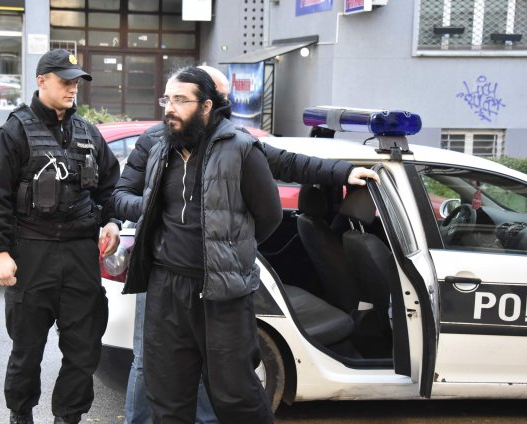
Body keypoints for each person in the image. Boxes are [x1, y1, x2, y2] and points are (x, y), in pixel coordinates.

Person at [116, 66, 379, 423]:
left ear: (207, 105)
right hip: (164, 283)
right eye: (168, 99)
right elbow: (120, 195)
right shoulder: (155, 143)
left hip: (221, 287)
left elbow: (277, 192)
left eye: (180, 99)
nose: (170, 107)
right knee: (163, 385)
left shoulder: (237, 145)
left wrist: (341, 172)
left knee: (234, 390)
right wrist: (152, 209)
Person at [0, 48, 122, 424]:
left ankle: (67, 418)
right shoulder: (13, 132)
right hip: (32, 252)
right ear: (41, 81)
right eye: (65, 81)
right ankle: (21, 415)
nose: (72, 88)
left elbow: (109, 186)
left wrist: (112, 222)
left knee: (83, 350)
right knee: (27, 350)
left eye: (76, 82)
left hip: (80, 255)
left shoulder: (88, 133)